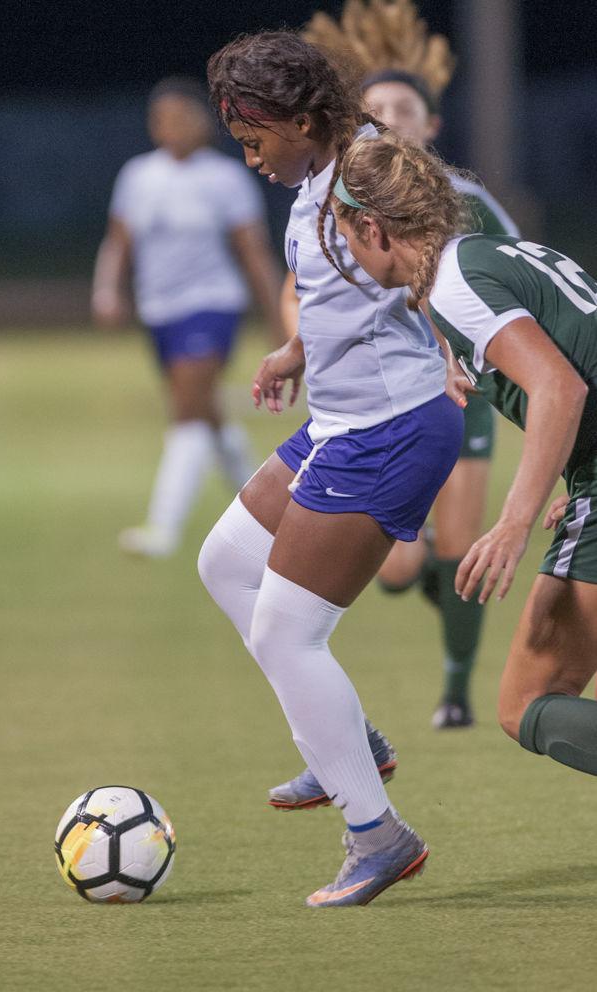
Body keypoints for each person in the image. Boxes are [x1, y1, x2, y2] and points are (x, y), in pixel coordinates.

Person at [199, 31, 464, 907]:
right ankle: (346, 744)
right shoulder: (320, 178)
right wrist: (295, 351)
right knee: (226, 563)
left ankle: (376, 834)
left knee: (285, 632)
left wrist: (462, 347)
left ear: (305, 118)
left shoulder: (362, 178)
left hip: (389, 430)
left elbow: (428, 261)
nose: (251, 158)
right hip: (344, 421)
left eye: (256, 139)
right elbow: (349, 291)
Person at [330, 130, 597, 783]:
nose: (343, 251)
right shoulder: (482, 258)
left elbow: (561, 386)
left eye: (343, 232)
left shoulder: (456, 286)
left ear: (374, 228)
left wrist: (513, 521)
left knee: (526, 702)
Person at [304, 0, 520, 728]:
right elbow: (300, 291)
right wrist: (296, 350)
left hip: (465, 392)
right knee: (396, 568)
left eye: (405, 107)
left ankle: (456, 691)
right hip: (385, 395)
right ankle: (423, 569)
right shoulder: (338, 200)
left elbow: (517, 281)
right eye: (376, 108)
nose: (390, 117)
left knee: (461, 545)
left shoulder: (472, 204)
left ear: (431, 126)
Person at [92, 77, 283, 558]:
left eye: (182, 117)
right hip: (160, 312)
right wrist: (107, 290)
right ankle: (269, 511)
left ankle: (163, 528)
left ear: (203, 123)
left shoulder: (224, 178)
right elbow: (119, 242)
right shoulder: (138, 175)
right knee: (207, 414)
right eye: (162, 119)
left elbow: (253, 253)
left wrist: (277, 318)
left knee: (187, 413)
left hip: (212, 305)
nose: (171, 127)